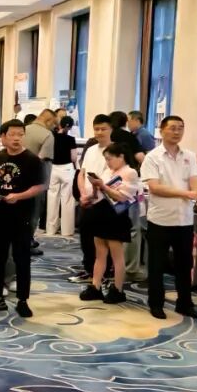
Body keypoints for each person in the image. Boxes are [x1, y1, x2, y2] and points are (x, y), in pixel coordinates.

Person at [140, 115, 197, 320]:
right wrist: (185, 194)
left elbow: (195, 182)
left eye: (180, 128)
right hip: (160, 219)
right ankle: (156, 303)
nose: (177, 132)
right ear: (162, 131)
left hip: (184, 219)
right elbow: (155, 187)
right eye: (172, 128)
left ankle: (184, 303)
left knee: (185, 265)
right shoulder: (153, 157)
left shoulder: (189, 156)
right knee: (157, 265)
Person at [0, 119, 45, 317]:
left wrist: (19, 196)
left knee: (21, 258)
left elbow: (40, 186)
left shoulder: (32, 159)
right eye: (12, 134)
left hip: (22, 215)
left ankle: (23, 300)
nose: (16, 138)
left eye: (20, 134)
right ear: (3, 137)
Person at [79, 144, 140, 304]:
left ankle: (117, 289)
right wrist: (93, 190)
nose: (108, 162)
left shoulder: (130, 172)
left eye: (110, 159)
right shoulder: (108, 171)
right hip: (101, 213)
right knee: (100, 253)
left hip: (116, 216)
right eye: (106, 159)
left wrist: (103, 186)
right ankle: (96, 286)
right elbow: (99, 195)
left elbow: (122, 197)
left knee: (116, 255)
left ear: (121, 156)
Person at [73, 114, 114, 284]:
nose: (99, 132)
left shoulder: (116, 150)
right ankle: (89, 270)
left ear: (111, 129)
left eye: (103, 129)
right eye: (96, 129)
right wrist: (83, 193)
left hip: (105, 202)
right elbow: (81, 174)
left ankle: (103, 273)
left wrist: (93, 195)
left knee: (103, 240)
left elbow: (113, 178)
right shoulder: (91, 149)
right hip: (86, 200)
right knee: (86, 238)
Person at [24, 109, 56, 247]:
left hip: (17, 177)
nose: (54, 127)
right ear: (48, 121)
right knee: (34, 212)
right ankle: (28, 241)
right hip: (36, 180)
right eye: (54, 123)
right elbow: (43, 160)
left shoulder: (23, 130)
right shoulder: (47, 135)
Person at [46, 115, 77, 237]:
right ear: (70, 127)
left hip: (53, 168)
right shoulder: (71, 139)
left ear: (59, 125)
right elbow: (74, 158)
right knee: (67, 199)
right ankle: (67, 230)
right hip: (67, 169)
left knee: (52, 198)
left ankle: (50, 229)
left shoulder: (51, 137)